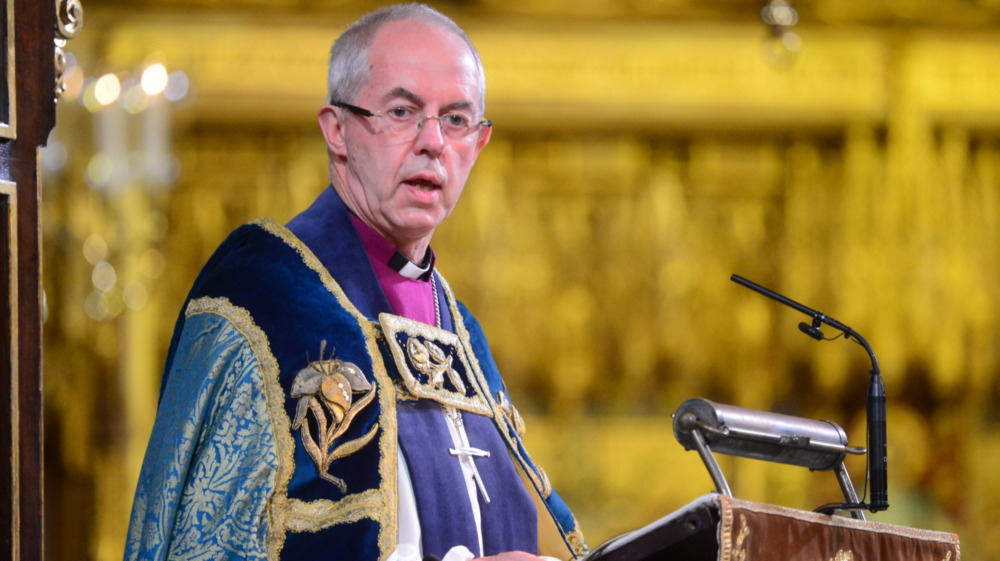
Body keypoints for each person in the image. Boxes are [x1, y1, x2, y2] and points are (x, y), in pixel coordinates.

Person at [123, 4, 586, 561]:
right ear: (337, 130)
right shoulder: (260, 300)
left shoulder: (461, 333)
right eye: (401, 111)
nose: (433, 142)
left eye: (457, 120)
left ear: (479, 144)